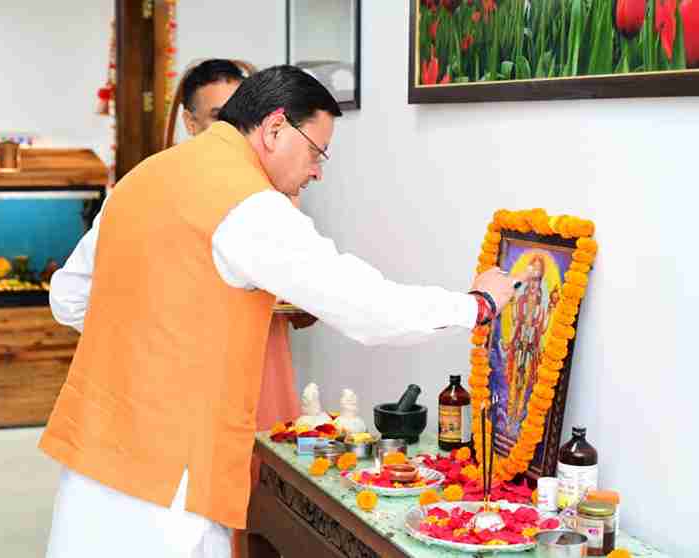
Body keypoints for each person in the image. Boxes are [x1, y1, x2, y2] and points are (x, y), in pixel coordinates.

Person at [41, 65, 521, 558]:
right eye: (316, 152)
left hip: (94, 453)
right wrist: (476, 305)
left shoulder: (144, 176)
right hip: (170, 478)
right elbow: (366, 306)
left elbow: (69, 297)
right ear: (274, 129)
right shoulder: (249, 205)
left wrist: (146, 334)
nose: (317, 171)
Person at [165, 57, 313, 557]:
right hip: (198, 367)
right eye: (217, 117)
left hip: (266, 356)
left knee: (269, 479)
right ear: (190, 123)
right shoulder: (164, 185)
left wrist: (305, 304)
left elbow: (306, 292)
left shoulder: (273, 191)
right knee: (204, 495)